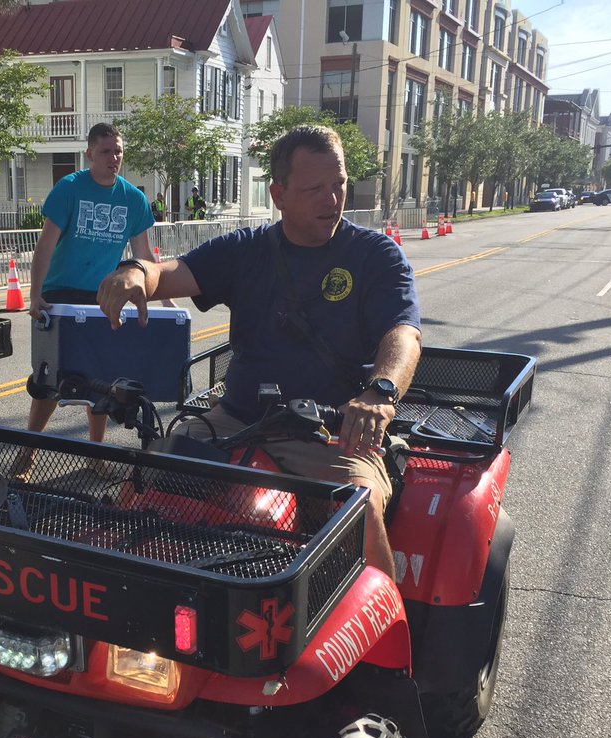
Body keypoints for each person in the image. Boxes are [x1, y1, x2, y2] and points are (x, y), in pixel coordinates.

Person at [96, 125, 421, 580]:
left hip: (331, 433)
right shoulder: (248, 249)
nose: (332, 200)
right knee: (143, 486)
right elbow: (169, 272)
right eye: (314, 189)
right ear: (279, 194)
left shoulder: (375, 255)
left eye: (339, 185)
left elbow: (403, 333)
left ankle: (385, 637)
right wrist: (133, 271)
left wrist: (380, 392)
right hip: (236, 420)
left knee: (358, 512)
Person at [19, 123, 165, 468]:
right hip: (60, 295)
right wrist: (35, 294)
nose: (114, 158)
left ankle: (95, 456)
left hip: (103, 296)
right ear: (90, 154)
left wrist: (163, 299)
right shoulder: (69, 188)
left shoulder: (133, 198)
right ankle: (27, 453)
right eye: (106, 151)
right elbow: (46, 245)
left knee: (99, 381)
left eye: (118, 151)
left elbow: (145, 258)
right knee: (49, 381)